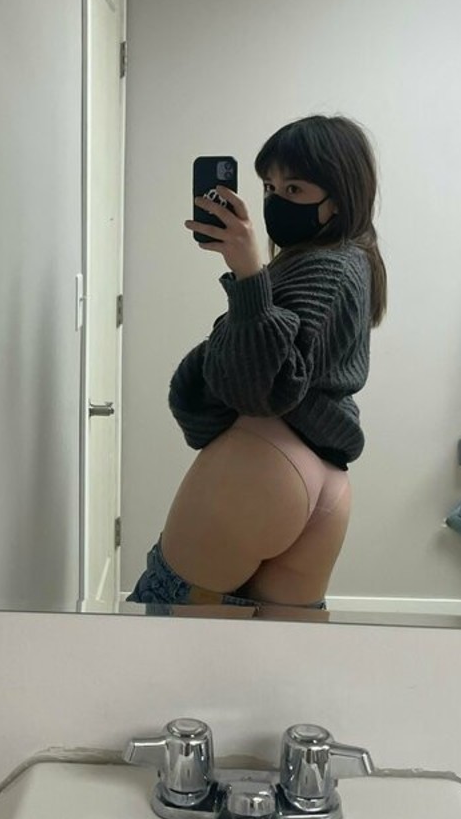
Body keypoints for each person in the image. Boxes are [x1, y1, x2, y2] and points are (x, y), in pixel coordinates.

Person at [127, 115, 387, 615]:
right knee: (272, 654)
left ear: (339, 197)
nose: (275, 200)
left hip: (264, 464)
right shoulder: (356, 258)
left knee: (165, 632)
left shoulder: (324, 266)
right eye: (269, 186)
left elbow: (259, 388)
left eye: (294, 188)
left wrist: (248, 274)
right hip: (326, 479)